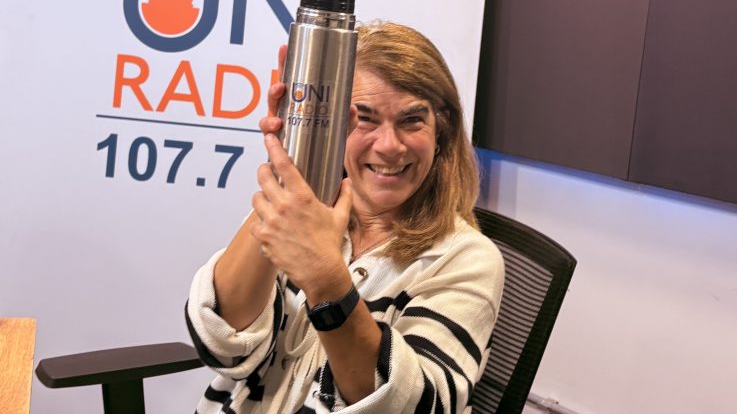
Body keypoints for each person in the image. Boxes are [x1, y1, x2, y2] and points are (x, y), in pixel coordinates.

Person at [186, 21, 505, 414]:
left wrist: (326, 279)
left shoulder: (466, 258)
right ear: (333, 125)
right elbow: (220, 345)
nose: (389, 146)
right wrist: (290, 166)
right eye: (365, 119)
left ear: (442, 130)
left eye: (411, 120)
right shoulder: (298, 211)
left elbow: (413, 406)